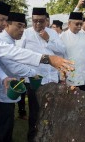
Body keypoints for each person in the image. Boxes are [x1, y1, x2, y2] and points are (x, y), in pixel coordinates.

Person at [0, 0, 74, 142]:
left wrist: (3, 78)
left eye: (6, 20)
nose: (4, 24)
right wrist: (47, 59)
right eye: (1, 19)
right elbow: (9, 52)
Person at [17, 7, 66, 142]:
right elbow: (18, 53)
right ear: (31, 20)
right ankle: (32, 138)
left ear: (46, 21)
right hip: (34, 80)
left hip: (51, 79)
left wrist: (48, 39)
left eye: (41, 21)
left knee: (50, 110)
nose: (38, 24)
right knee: (35, 112)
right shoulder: (26, 34)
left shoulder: (53, 33)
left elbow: (62, 50)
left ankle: (47, 137)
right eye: (35, 21)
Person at [0, 12, 36, 142]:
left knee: (6, 124)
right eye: (19, 26)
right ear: (7, 24)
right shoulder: (3, 42)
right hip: (3, 91)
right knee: (5, 126)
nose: (22, 30)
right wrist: (34, 73)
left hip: (9, 89)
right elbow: (14, 67)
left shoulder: (10, 41)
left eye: (24, 26)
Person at [60, 12, 85, 91]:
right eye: (77, 24)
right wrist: (62, 76)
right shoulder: (62, 37)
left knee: (83, 100)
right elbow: (60, 58)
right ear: (69, 23)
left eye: (80, 24)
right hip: (69, 76)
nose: (79, 27)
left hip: (83, 75)